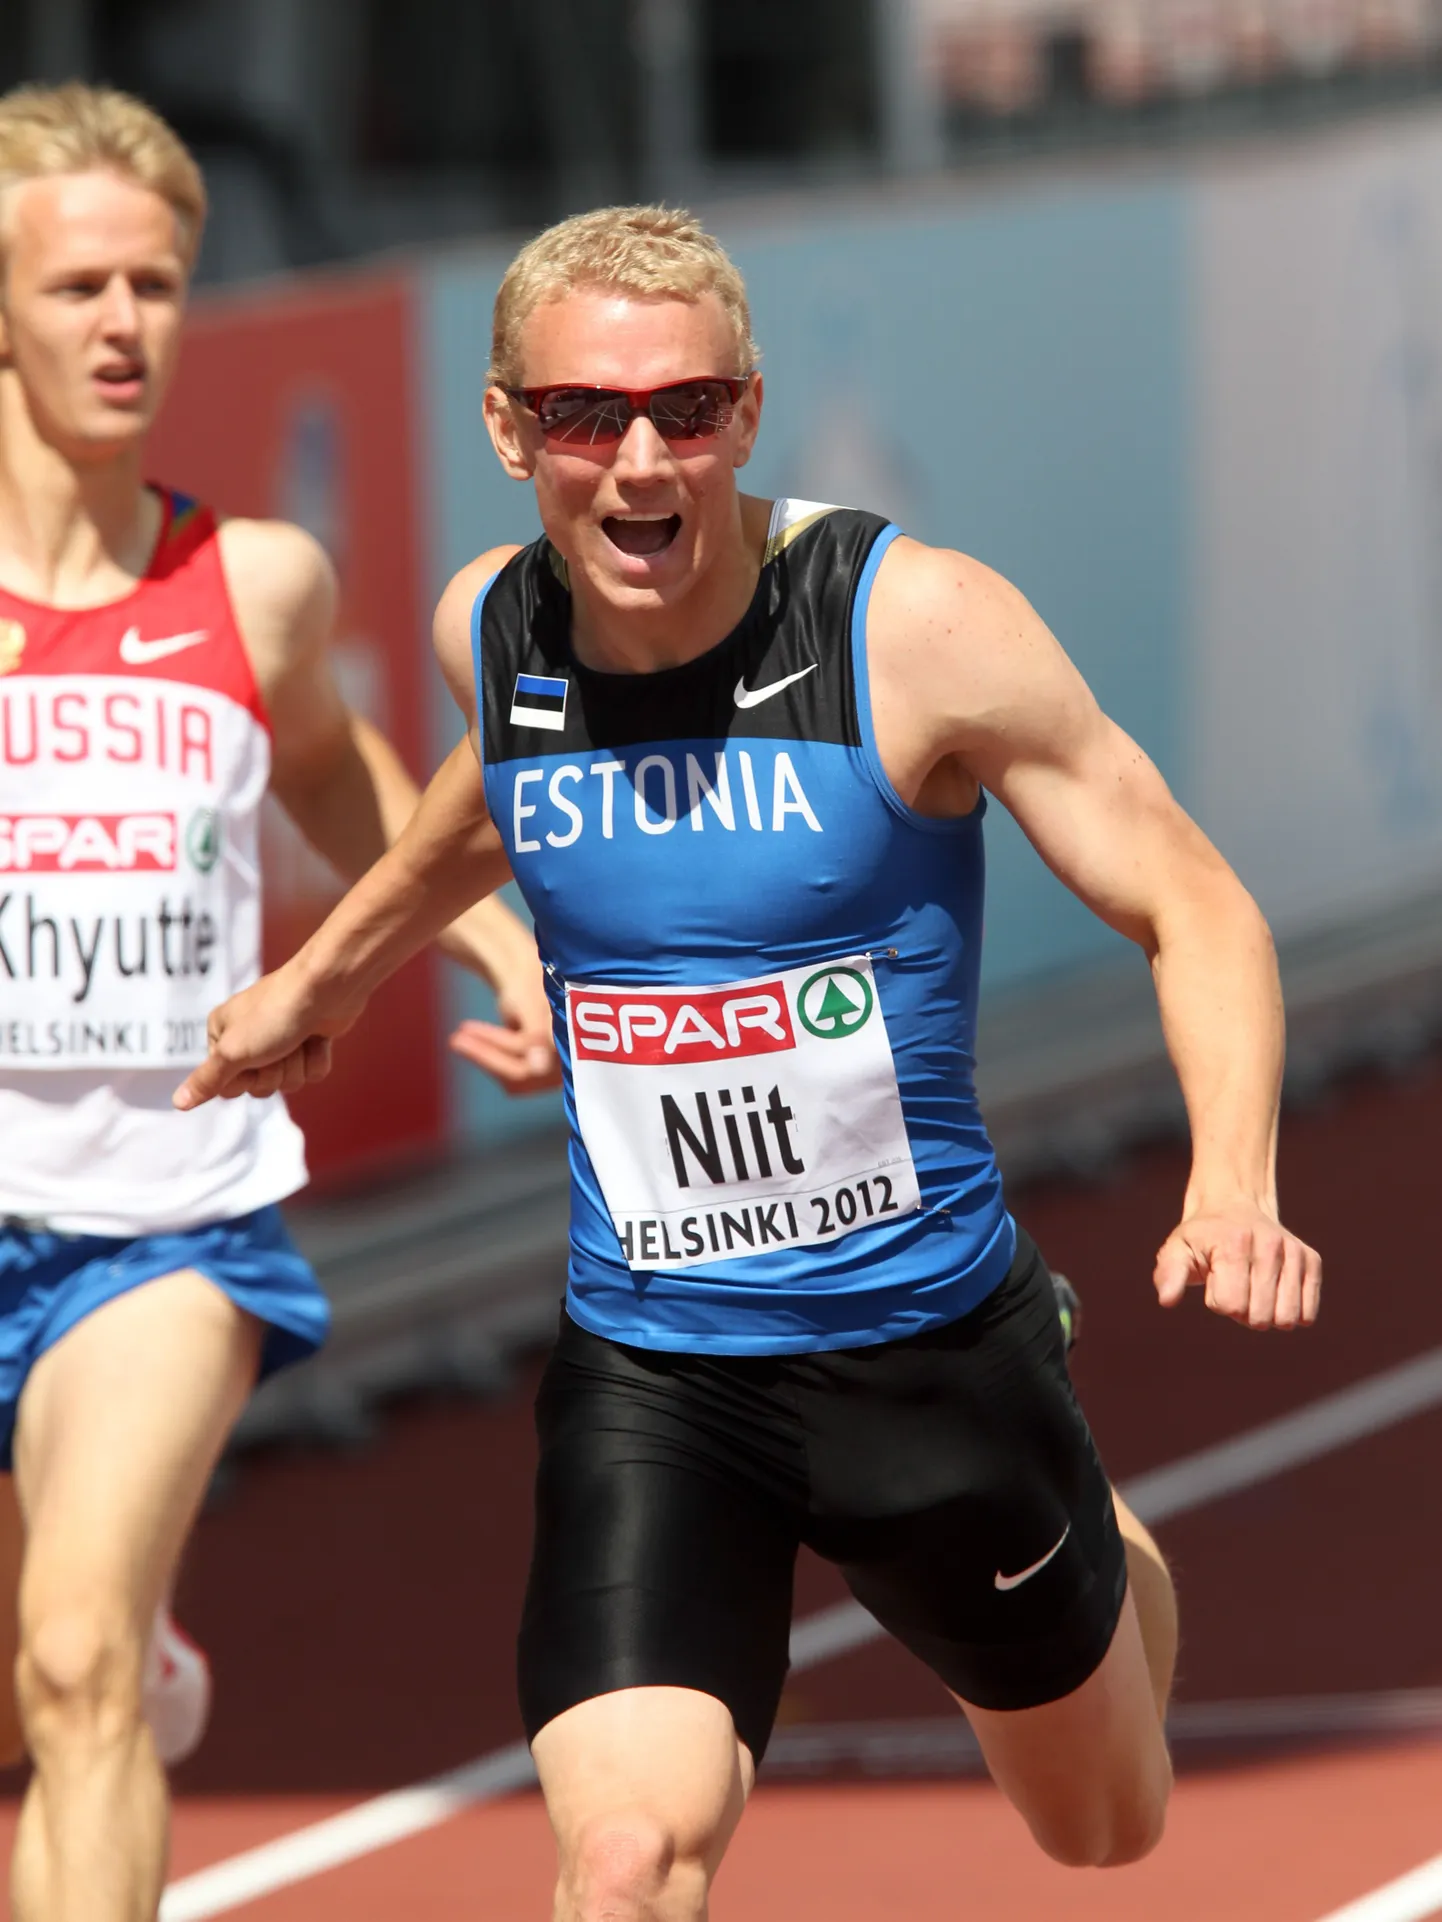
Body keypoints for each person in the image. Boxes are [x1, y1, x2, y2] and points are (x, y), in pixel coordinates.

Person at [178, 204, 1322, 1919]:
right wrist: (320, 978)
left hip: (929, 1359)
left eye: (687, 410)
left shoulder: (911, 628)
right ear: (508, 428)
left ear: (748, 412)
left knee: (1104, 1823)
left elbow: (1193, 899)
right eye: (585, 415)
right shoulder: (491, 625)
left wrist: (1232, 1181)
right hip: (658, 1365)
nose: (641, 462)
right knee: (622, 1857)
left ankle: (1088, 1513)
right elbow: (487, 801)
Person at [0, 82, 556, 1922]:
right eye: (76, 285)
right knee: (37, 1677)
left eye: (154, 284)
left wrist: (490, 942)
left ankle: (113, 1644)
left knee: (72, 1661)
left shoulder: (255, 583)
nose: (122, 324)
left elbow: (331, 767)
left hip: (164, 1212)